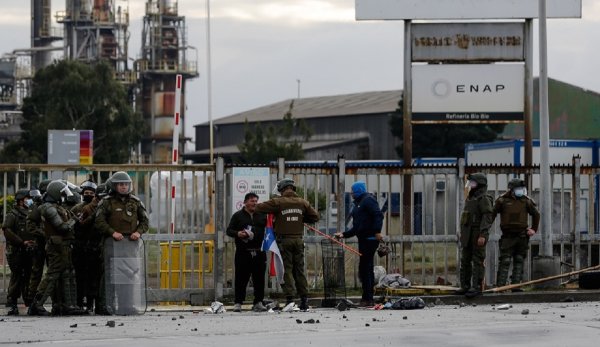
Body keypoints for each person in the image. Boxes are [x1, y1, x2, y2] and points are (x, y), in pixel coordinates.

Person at [255, 178, 319, 311]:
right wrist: (300, 218)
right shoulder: (303, 202)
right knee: (300, 270)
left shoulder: (278, 202)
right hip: (298, 240)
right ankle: (304, 300)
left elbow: (259, 208)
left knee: (286, 270)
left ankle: (290, 299)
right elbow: (315, 217)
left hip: (284, 241)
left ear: (282, 189)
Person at [28, 180, 86, 316]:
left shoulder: (56, 206)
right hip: (57, 245)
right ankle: (37, 304)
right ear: (55, 193)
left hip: (64, 245)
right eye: (61, 193)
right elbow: (62, 227)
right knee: (52, 275)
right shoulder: (49, 208)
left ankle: (68, 305)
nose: (64, 196)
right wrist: (75, 220)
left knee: (68, 273)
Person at [95, 171, 148, 315]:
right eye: (120, 184)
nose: (124, 187)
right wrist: (112, 232)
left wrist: (138, 232)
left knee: (129, 275)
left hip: (130, 244)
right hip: (111, 244)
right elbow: (99, 222)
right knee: (110, 275)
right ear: (114, 186)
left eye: (126, 184)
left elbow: (145, 221)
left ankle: (128, 305)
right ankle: (107, 306)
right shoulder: (106, 202)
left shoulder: (135, 202)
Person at [334, 181, 384, 307]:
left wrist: (377, 231)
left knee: (366, 269)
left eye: (353, 191)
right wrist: (344, 234)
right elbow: (357, 227)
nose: (351, 193)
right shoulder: (358, 204)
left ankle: (368, 299)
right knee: (365, 269)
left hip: (370, 239)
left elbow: (378, 215)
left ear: (359, 190)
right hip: (363, 239)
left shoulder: (368, 200)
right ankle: (366, 298)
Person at [492, 178, 540, 290]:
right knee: (505, 261)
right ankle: (501, 286)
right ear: (512, 190)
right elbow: (492, 214)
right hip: (507, 236)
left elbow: (536, 214)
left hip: (522, 236)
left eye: (522, 189)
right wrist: (484, 229)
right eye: (518, 189)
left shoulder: (526, 201)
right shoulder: (502, 200)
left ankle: (516, 286)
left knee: (519, 260)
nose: (521, 191)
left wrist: (533, 229)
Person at [226, 192, 267, 312]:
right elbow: (229, 230)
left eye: (256, 201)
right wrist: (238, 233)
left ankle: (258, 302)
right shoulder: (238, 216)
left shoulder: (261, 216)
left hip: (259, 252)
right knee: (241, 278)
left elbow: (268, 229)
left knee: (259, 279)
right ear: (245, 202)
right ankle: (238, 302)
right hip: (243, 252)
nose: (254, 203)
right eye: (251, 201)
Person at [457, 173, 495, 298]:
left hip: (477, 233)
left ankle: (476, 286)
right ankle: (465, 286)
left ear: (480, 184)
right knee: (465, 260)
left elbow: (487, 216)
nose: (470, 185)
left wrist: (483, 234)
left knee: (477, 261)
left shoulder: (483, 198)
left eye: (472, 183)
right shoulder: (471, 198)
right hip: (467, 234)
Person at [71, 180, 102, 312]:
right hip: (80, 247)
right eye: (86, 193)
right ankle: (79, 302)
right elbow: (74, 226)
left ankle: (91, 303)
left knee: (94, 277)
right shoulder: (77, 208)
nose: (88, 195)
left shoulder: (99, 207)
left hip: (94, 246)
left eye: (91, 193)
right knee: (80, 277)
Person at [3, 189, 35, 315]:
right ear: (21, 200)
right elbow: (7, 231)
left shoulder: (30, 213)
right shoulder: (12, 215)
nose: (29, 200)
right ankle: (12, 303)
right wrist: (21, 242)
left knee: (28, 276)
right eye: (27, 198)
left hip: (28, 251)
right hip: (16, 251)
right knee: (17, 277)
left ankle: (29, 301)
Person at [25, 180, 51, 305]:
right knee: (36, 273)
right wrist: (44, 234)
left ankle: (55, 301)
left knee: (52, 272)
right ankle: (31, 301)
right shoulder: (37, 206)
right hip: (40, 244)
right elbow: (30, 226)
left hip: (51, 244)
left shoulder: (52, 204)